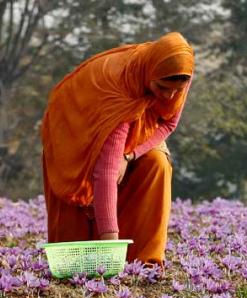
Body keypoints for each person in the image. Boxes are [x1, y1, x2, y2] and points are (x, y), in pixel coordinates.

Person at [41, 32, 194, 266]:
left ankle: (143, 260)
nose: (169, 96)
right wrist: (110, 244)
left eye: (176, 91)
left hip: (140, 125)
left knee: (157, 163)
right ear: (151, 73)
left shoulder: (177, 73)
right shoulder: (120, 92)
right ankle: (102, 253)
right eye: (163, 87)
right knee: (77, 231)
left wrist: (130, 155)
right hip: (79, 124)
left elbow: (169, 124)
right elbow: (106, 173)